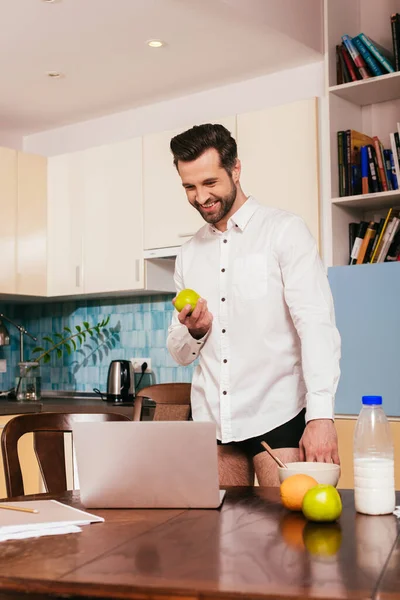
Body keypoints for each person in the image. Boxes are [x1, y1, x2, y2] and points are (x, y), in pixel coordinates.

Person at [167, 123, 341, 487]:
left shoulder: (285, 231)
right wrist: (195, 331)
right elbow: (180, 354)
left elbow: (316, 324)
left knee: (291, 536)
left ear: (236, 170)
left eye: (210, 183)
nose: (201, 197)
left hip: (279, 415)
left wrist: (321, 416)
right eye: (190, 187)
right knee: (223, 537)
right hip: (212, 422)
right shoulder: (187, 255)